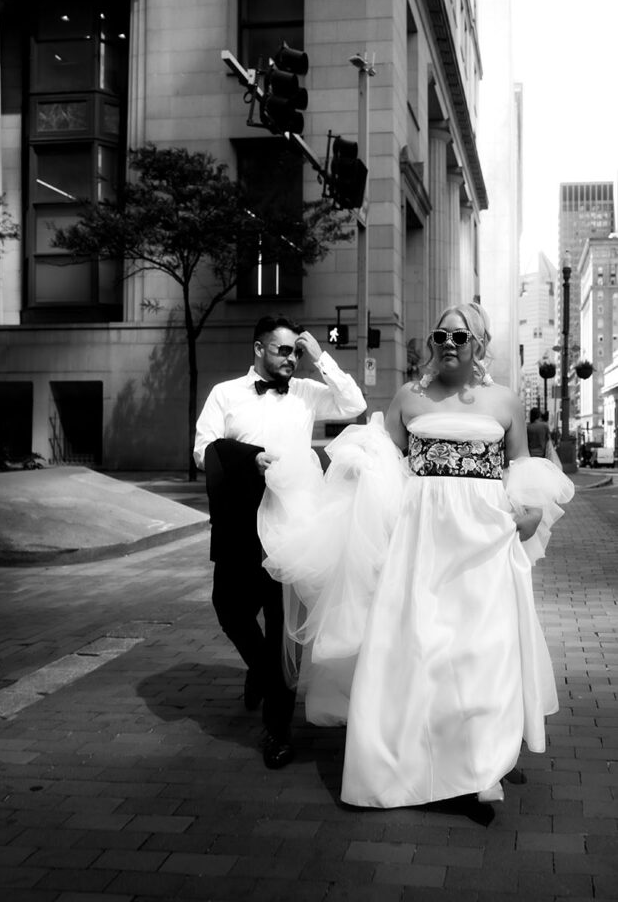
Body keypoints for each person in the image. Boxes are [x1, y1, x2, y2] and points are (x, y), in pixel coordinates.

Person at [259, 302, 574, 809]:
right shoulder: (408, 396)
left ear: (480, 345)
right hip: (421, 533)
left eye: (461, 337)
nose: (449, 344)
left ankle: (483, 764)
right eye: (440, 335)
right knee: (421, 643)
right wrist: (359, 474)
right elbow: (389, 463)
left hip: (485, 535)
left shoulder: (505, 402)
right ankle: (409, 757)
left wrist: (531, 511)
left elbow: (520, 463)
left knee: (482, 646)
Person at [193, 314, 366, 769]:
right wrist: (248, 460)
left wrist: (319, 356)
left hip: (293, 525)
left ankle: (277, 732)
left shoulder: (307, 391)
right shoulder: (225, 394)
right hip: (241, 518)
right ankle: (265, 675)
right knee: (229, 607)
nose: (291, 358)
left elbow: (353, 403)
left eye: (295, 351)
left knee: (283, 629)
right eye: (283, 350)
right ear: (258, 349)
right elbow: (203, 448)